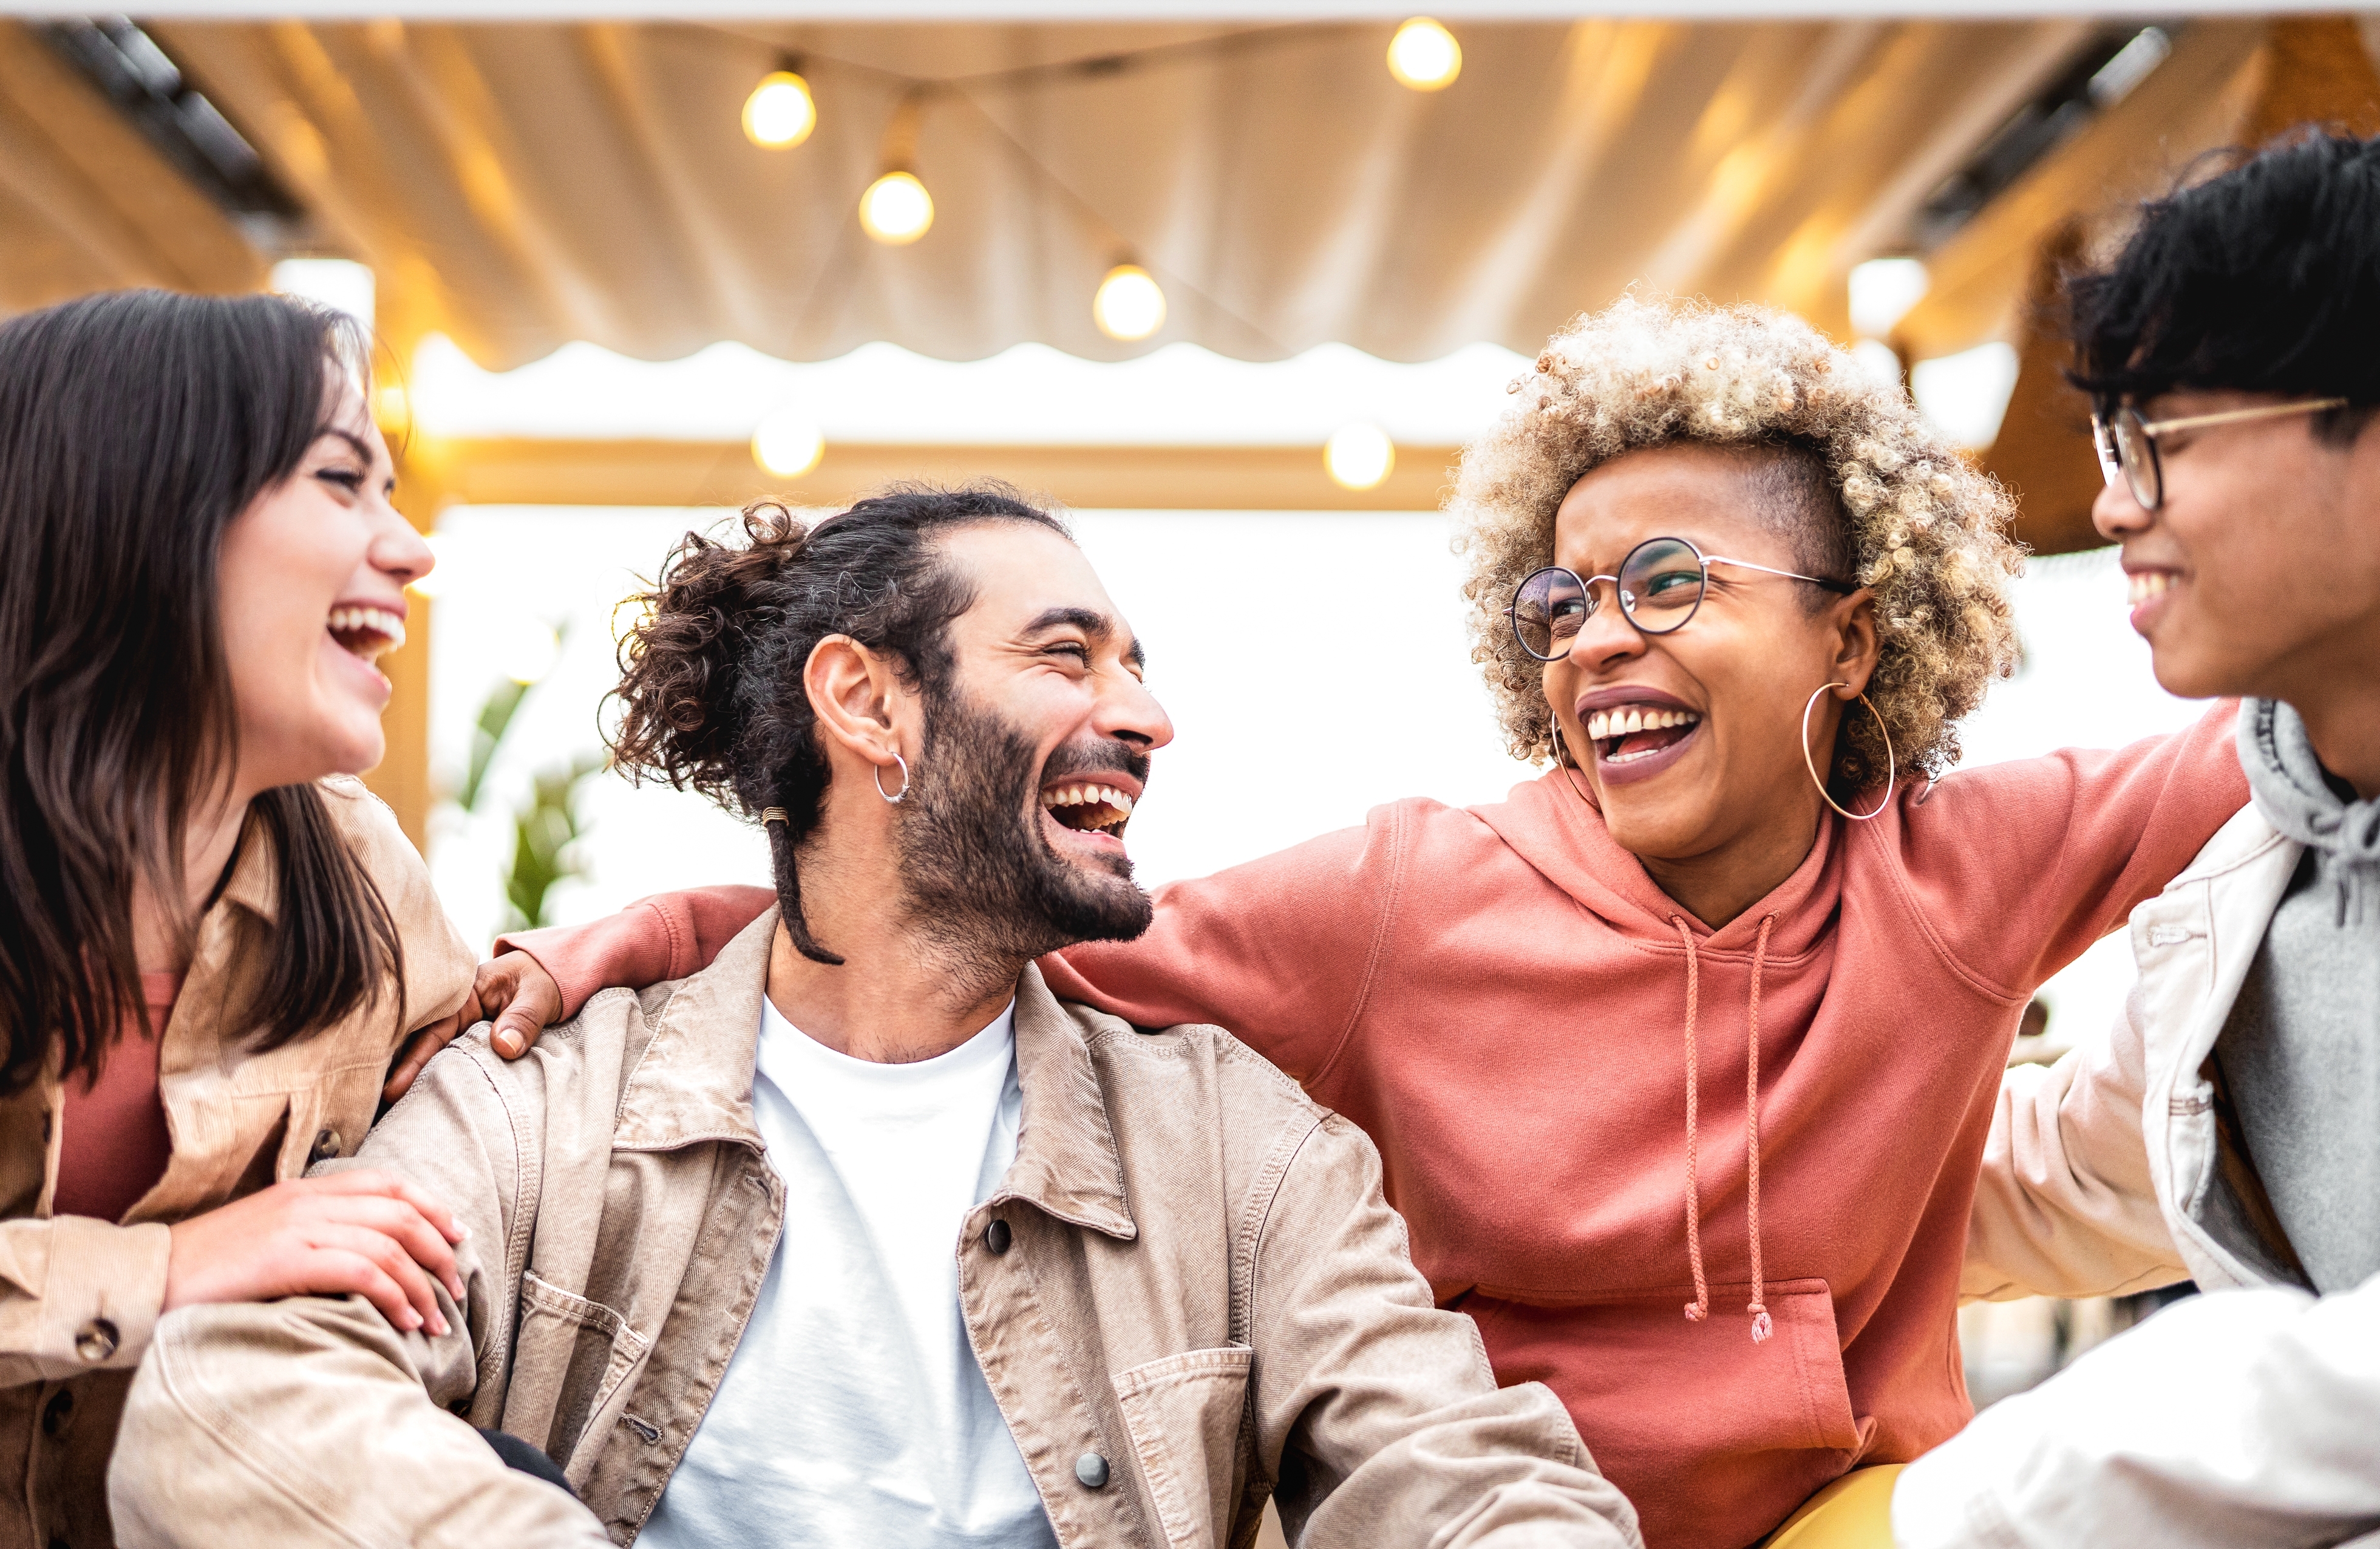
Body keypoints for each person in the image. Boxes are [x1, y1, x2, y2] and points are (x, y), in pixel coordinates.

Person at [481, 298, 2249, 1549]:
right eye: (1562, 599)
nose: (1597, 640)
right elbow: (971, 918)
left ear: (1851, 641)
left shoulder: (1968, 873)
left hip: (1847, 1525)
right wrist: (662, 935)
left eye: (1668, 585)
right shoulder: (1412, 899)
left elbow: (2294, 727)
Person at [108, 488, 1642, 1549]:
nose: (1149, 715)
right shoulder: (542, 1107)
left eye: (1139, 665)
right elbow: (226, 1394)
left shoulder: (1240, 1151)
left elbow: (1460, 1471)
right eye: (1066, 653)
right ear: (868, 704)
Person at [1892, 131, 2380, 1549]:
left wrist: (1983, 1502)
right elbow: (2080, 1173)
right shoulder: (2259, 863)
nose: (2111, 506)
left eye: (2156, 438)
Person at [0, 288, 488, 1547]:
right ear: (140, 507)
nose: (412, 548)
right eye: (343, 481)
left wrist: (654, 934)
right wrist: (168, 1269)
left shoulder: (357, 869)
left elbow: (506, 1074)